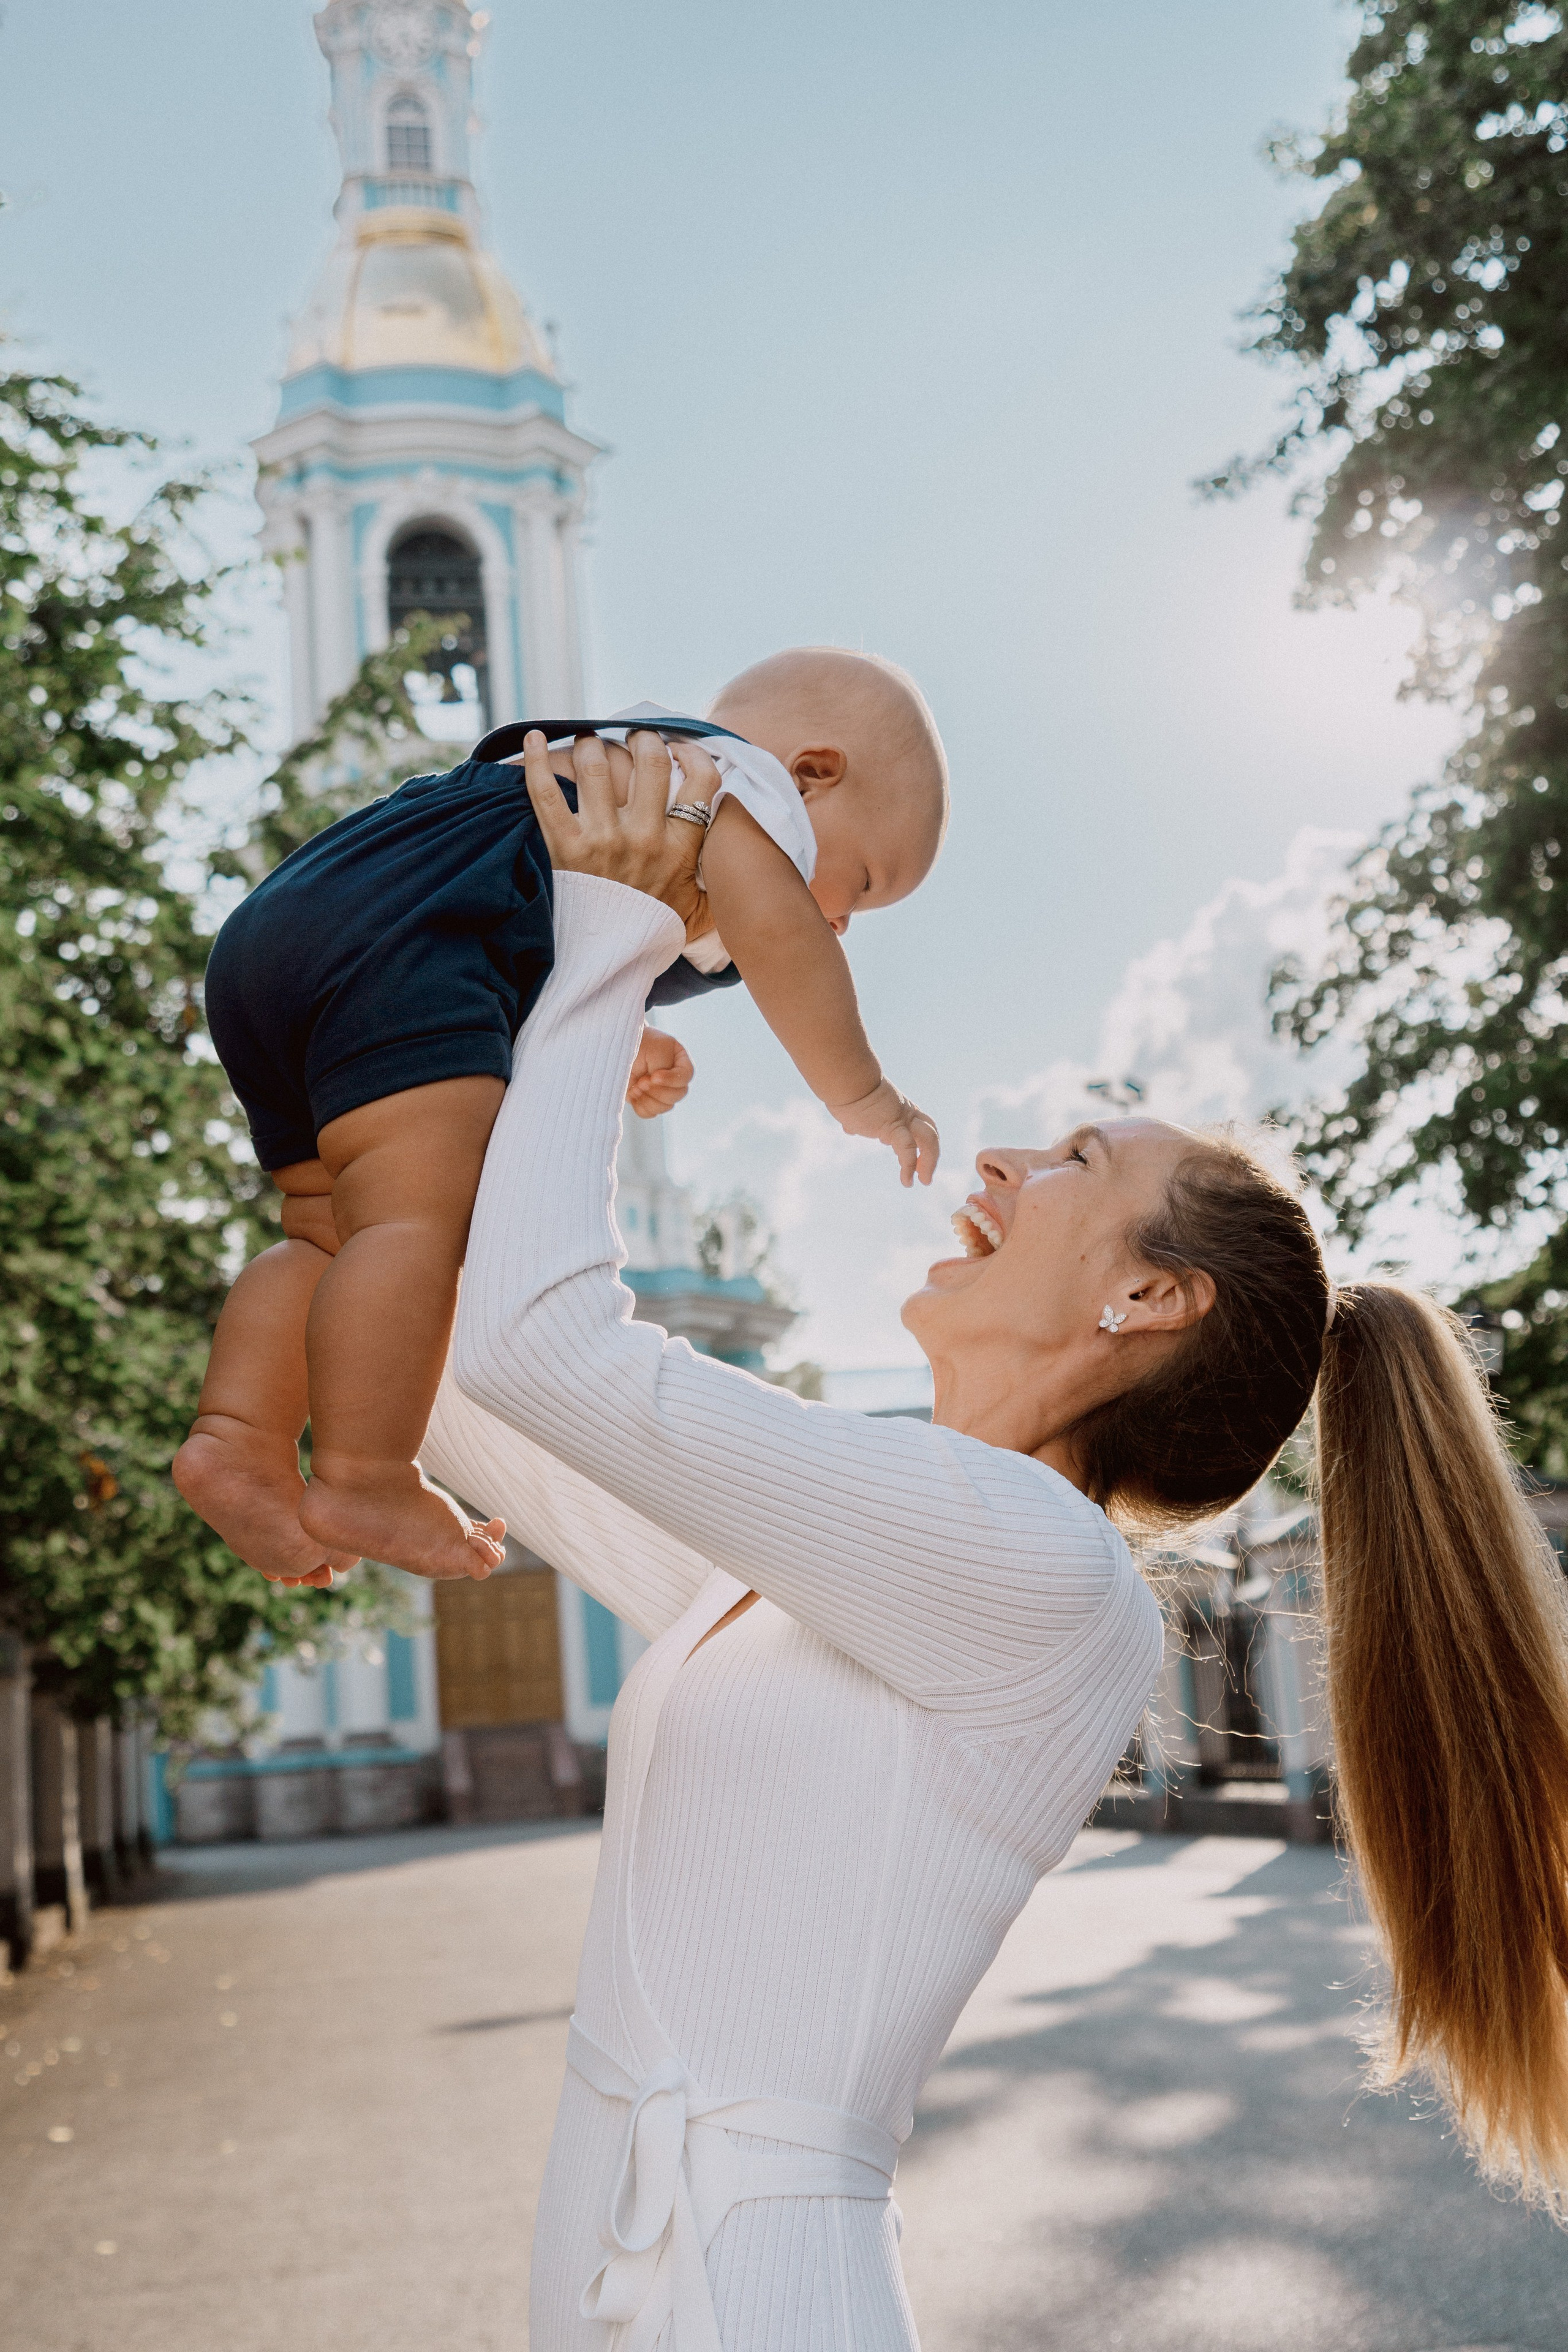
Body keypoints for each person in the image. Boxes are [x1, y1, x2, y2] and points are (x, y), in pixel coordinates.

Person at [416, 728, 1568, 2346]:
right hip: (632, 2288)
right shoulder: (833, 1558)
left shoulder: (1038, 1569)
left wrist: (617, 938)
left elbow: (547, 1347)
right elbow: (465, 1376)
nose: (1006, 1162)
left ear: (1148, 1297)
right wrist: (479, 1043)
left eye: (1078, 1162)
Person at [173, 647, 948, 1589]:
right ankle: (364, 1474)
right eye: (862, 882)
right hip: (405, 949)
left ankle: (237, 1438)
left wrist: (622, 1029)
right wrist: (865, 1094)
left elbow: (530, 927)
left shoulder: (613, 770)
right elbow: (784, 940)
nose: (842, 924)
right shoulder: (730, 784)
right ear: (814, 774)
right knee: (417, 1222)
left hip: (286, 936)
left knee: (327, 1228)